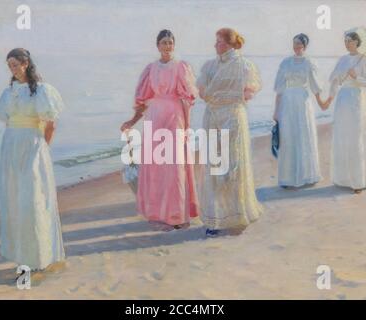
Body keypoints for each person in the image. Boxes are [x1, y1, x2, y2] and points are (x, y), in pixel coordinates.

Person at [120, 30, 200, 230]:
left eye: (170, 42)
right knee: (156, 166)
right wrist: (132, 121)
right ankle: (158, 212)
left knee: (174, 166)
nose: (167, 46)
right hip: (154, 117)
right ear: (157, 45)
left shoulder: (181, 67)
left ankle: (177, 214)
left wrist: (186, 125)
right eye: (164, 43)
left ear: (174, 45)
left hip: (174, 117)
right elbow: (142, 100)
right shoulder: (151, 69)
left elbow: (189, 99)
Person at [0, 48, 65, 271]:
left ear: (26, 63)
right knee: (16, 200)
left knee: (33, 200)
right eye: (9, 66)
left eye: (15, 64)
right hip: (12, 147)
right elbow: (8, 121)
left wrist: (42, 147)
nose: (13, 69)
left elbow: (51, 124)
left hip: (33, 147)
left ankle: (39, 256)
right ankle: (22, 256)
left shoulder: (42, 91)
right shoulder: (9, 92)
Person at [197, 28, 262, 237]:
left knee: (232, 165)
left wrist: (223, 95)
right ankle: (216, 216)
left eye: (219, 42)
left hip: (233, 117)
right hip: (213, 116)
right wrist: (213, 95)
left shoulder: (243, 65)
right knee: (215, 165)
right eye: (216, 42)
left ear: (230, 44)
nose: (216, 46)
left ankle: (234, 214)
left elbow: (249, 92)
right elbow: (202, 91)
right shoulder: (210, 65)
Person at [322, 32, 366, 194]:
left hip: (357, 99)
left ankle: (358, 181)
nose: (347, 43)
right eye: (345, 41)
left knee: (356, 136)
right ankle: (343, 178)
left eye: (350, 41)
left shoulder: (364, 60)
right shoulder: (343, 60)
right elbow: (334, 81)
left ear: (356, 42)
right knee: (343, 135)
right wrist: (329, 99)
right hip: (343, 100)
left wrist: (357, 76)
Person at [273, 33, 325, 188]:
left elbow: (315, 86)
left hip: (303, 101)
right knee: (288, 136)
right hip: (288, 102)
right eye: (294, 44)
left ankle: (307, 175)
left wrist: (321, 102)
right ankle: (288, 178)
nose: (296, 47)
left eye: (299, 44)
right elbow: (279, 88)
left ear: (305, 46)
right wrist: (276, 111)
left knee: (304, 134)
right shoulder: (285, 62)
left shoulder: (309, 63)